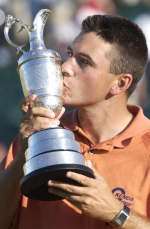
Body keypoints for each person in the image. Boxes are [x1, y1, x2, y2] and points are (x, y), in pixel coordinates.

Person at [1, 14, 150, 229]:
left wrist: (116, 213)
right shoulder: (35, 134)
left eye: (84, 62)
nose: (64, 67)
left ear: (120, 83)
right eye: (69, 54)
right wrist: (22, 156)